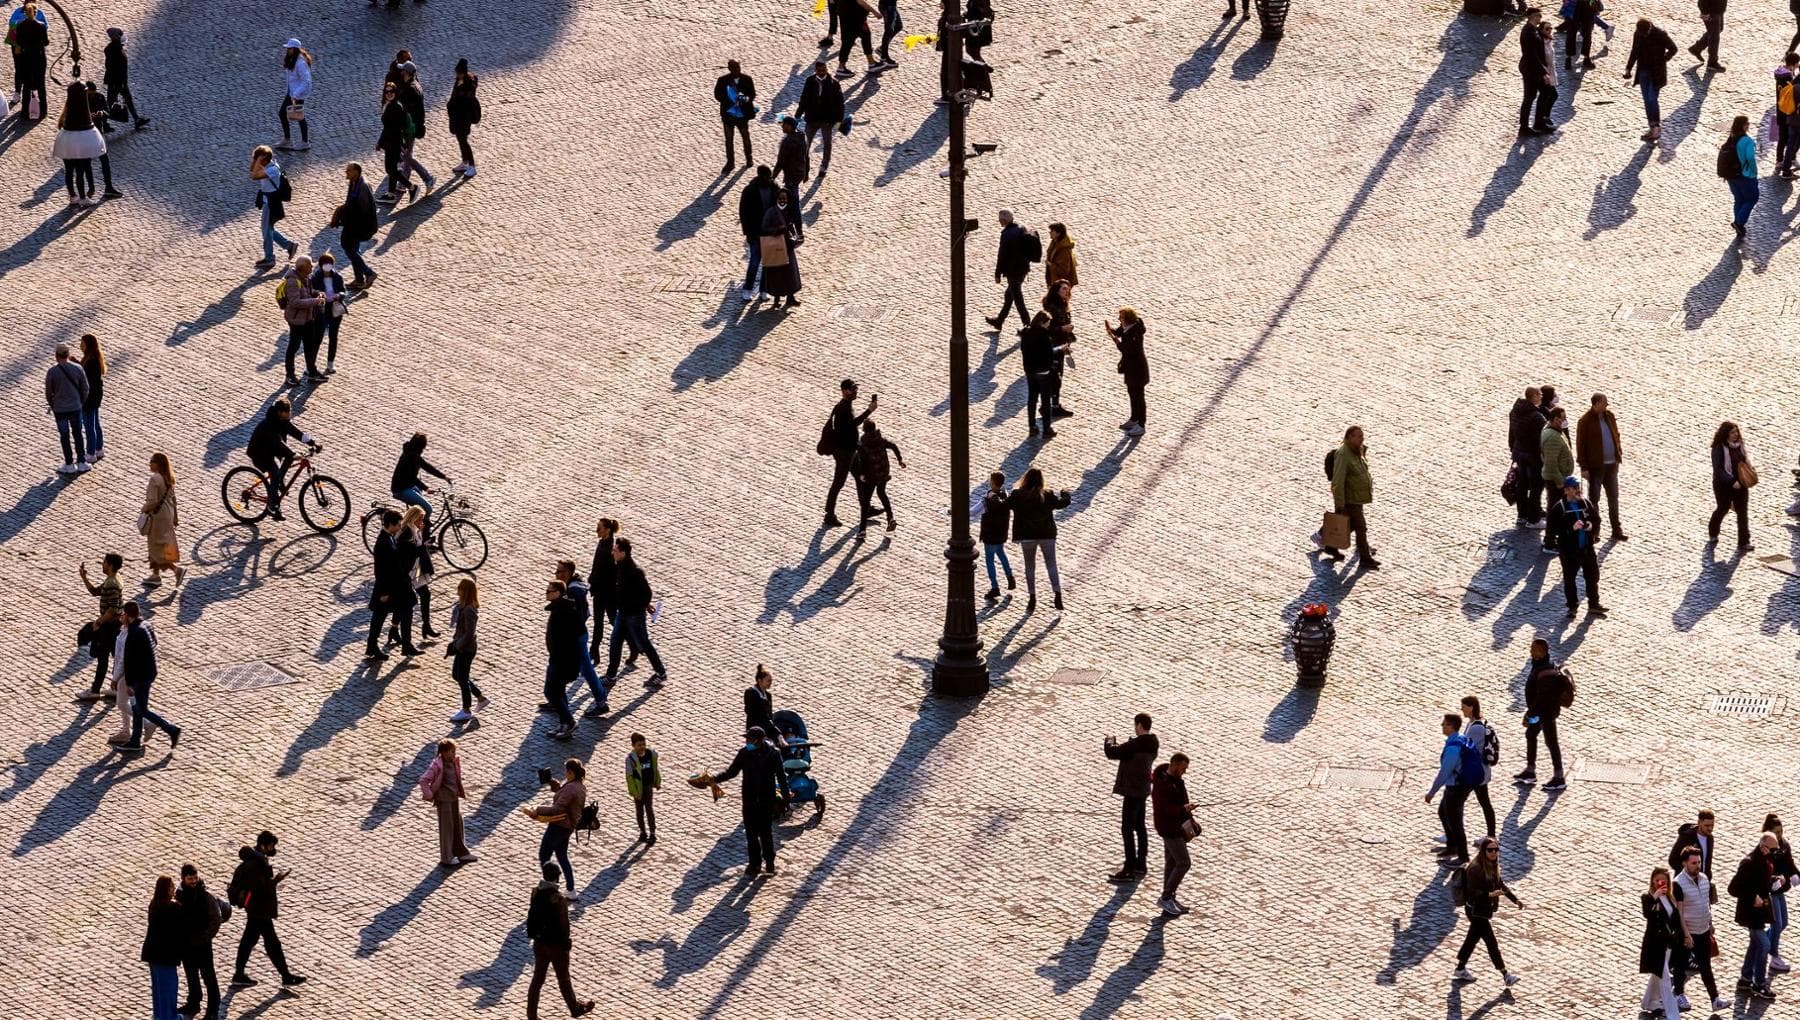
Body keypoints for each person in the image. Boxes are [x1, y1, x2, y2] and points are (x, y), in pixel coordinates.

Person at [712, 726, 792, 876]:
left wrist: (786, 799)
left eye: (749, 739)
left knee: (766, 833)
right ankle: (754, 864)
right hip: (749, 800)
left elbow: (781, 776)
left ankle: (769, 863)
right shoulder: (744, 753)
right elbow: (732, 772)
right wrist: (714, 779)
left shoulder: (773, 754)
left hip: (766, 801)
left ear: (758, 740)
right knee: (751, 834)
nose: (747, 741)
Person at [230, 830, 304, 988]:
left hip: (257, 910)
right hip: (259, 910)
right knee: (271, 943)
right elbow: (260, 889)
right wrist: (276, 880)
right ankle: (285, 976)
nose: (273, 849)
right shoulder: (255, 865)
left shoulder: (258, 860)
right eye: (271, 846)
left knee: (250, 941)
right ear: (263, 846)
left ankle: (240, 974)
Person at [525, 861, 595, 1019]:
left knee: (537, 979)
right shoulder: (559, 899)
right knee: (563, 978)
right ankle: (575, 1008)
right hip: (556, 945)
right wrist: (566, 944)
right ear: (557, 878)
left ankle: (531, 1015)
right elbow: (564, 925)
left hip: (539, 943)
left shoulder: (535, 892)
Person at [1451, 836, 1522, 985]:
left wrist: (1514, 899)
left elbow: (1500, 883)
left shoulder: (1492, 864)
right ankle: (1505, 974)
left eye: (1496, 849)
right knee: (1491, 943)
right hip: (1476, 911)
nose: (1494, 852)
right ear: (1483, 850)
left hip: (1483, 910)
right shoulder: (1475, 868)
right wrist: (1490, 894)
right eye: (1490, 850)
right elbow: (1473, 892)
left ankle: (1460, 968)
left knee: (1472, 939)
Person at [117, 600, 180, 752]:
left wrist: (130, 684)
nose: (121, 617)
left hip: (140, 677)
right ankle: (135, 740)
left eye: (123, 614)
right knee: (137, 707)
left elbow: (129, 660)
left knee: (141, 709)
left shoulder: (133, 632)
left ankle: (171, 729)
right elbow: (154, 643)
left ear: (127, 615)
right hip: (149, 672)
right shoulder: (146, 625)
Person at [1673, 844, 1730, 1013]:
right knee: (1681, 966)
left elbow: (1706, 905)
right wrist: (1686, 935)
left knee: (1706, 967)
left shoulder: (1704, 879)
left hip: (1703, 930)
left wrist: (1710, 924)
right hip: (1687, 933)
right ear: (1684, 863)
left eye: (1698, 862)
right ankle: (1679, 995)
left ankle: (1715, 999)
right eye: (1693, 863)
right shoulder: (1678, 884)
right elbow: (1679, 913)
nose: (1697, 866)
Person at [1103, 713, 1159, 884]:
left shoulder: (1134, 745)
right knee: (1140, 827)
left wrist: (1109, 740)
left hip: (1132, 792)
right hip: (1142, 790)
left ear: (1140, 725)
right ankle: (1141, 863)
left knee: (1127, 828)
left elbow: (1112, 752)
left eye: (1136, 725)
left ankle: (1129, 867)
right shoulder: (1153, 743)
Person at [605, 539, 667, 689]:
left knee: (644, 644)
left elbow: (646, 594)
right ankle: (611, 676)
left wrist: (641, 605)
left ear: (623, 553)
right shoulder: (619, 567)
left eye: (615, 550)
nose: (612, 552)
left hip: (634, 616)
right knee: (615, 643)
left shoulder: (635, 572)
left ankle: (660, 673)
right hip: (623, 614)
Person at [551, 560, 610, 716]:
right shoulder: (570, 587)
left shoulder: (573, 591)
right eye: (556, 572)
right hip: (573, 636)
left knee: (585, 670)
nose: (557, 575)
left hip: (575, 637)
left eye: (560, 572)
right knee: (561, 668)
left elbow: (579, 615)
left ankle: (601, 701)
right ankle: (557, 699)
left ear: (568, 573)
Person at [1011, 468, 1071, 612]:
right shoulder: (1047, 495)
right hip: (1047, 534)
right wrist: (1066, 494)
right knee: (1051, 564)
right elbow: (1062, 504)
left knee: (1030, 567)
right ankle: (1057, 594)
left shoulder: (1018, 495)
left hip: (1027, 536)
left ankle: (1032, 597)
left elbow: (1005, 504)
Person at [1729, 832, 1780, 1001]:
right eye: (1773, 849)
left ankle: (1745, 979)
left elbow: (1760, 881)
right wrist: (1753, 897)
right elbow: (1733, 888)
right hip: (1751, 913)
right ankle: (1759, 983)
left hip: (1760, 912)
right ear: (1763, 847)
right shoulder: (1748, 863)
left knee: (1755, 945)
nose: (1775, 853)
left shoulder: (1765, 860)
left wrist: (1774, 880)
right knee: (1764, 945)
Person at [522, 757, 586, 890]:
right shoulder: (579, 786)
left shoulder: (570, 788)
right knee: (562, 856)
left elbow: (557, 809)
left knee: (544, 855)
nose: (565, 774)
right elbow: (566, 798)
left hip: (558, 826)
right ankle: (570, 889)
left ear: (571, 773)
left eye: (566, 772)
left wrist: (537, 810)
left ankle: (550, 884)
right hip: (568, 827)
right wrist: (556, 787)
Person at [1547, 476, 1605, 618]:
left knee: (1592, 576)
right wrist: (1570, 528)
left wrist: (1592, 526)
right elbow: (1552, 530)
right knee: (1569, 579)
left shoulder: (1585, 503)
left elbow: (1596, 519)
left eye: (1579, 487)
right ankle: (1572, 606)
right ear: (1567, 490)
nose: (1579, 490)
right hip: (1569, 551)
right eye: (1575, 488)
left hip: (1586, 547)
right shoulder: (1559, 508)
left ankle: (1594, 604)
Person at [366, 510, 420, 661]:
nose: (400, 526)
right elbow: (380, 570)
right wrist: (383, 592)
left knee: (405, 610)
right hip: (388, 587)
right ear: (390, 524)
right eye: (398, 524)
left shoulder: (389, 538)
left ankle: (405, 644)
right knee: (379, 616)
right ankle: (373, 645)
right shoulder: (382, 543)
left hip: (397, 585)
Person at [246, 396, 310, 522]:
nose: (290, 414)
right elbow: (278, 443)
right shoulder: (269, 425)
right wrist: (292, 454)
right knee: (274, 472)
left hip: (270, 449)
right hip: (260, 453)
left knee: (287, 459)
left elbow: (296, 432)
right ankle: (272, 505)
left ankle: (279, 481)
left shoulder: (282, 420)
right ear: (280, 413)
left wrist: (313, 443)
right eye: (288, 412)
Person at [1425, 713, 1478, 866]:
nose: (1442, 726)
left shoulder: (1453, 748)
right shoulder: (1459, 740)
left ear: (1452, 727)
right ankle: (1452, 846)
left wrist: (1432, 792)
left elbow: (1445, 772)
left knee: (1456, 822)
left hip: (1457, 787)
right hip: (1457, 785)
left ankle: (1463, 856)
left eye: (1445, 724)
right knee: (1443, 812)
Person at [1516, 638, 1568, 791]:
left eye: (1533, 648)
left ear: (1541, 651)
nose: (1530, 651)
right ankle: (1530, 771)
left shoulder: (1545, 671)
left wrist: (1528, 714)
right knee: (1531, 734)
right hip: (1540, 712)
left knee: (1551, 742)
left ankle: (1559, 777)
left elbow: (1542, 698)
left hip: (1545, 713)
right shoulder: (1541, 664)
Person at [823, 380, 877, 527]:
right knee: (838, 483)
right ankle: (829, 514)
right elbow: (851, 425)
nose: (855, 391)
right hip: (844, 452)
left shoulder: (846, 406)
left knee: (860, 479)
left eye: (856, 388)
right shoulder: (843, 408)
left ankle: (866, 508)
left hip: (851, 450)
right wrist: (868, 411)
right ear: (844, 391)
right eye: (852, 389)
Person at [1326, 426, 1380, 569]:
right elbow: (1338, 480)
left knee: (1351, 526)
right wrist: (1339, 503)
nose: (1362, 439)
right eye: (1358, 436)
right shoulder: (1343, 455)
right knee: (1361, 527)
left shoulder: (1358, 450)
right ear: (1349, 437)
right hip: (1350, 499)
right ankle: (1365, 558)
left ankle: (1331, 545)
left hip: (1357, 497)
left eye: (1362, 436)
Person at [1150, 752, 1196, 918]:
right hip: (1169, 829)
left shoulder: (1174, 781)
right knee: (1184, 863)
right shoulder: (1163, 785)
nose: (1184, 772)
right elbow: (1168, 810)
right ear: (1175, 765)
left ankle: (1170, 898)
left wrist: (1190, 818)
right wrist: (1185, 810)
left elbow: (1181, 802)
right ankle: (1166, 897)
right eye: (1183, 768)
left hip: (1174, 827)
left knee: (1171, 863)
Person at [1574, 394, 1626, 541]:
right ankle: (1595, 530)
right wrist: (1584, 467)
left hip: (1612, 465)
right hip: (1596, 467)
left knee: (1613, 498)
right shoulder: (1585, 421)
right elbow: (1581, 445)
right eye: (1604, 403)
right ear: (1596, 404)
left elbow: (1616, 435)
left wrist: (1618, 453)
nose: (1606, 406)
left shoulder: (1609, 416)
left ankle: (1616, 529)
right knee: (1594, 500)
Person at [75, 553, 124, 702]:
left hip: (110, 626)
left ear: (110, 565)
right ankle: (117, 689)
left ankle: (95, 690)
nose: (102, 564)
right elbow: (95, 592)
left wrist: (99, 622)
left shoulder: (112, 584)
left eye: (104, 562)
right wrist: (84, 578)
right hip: (113, 625)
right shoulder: (112, 580)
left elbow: (113, 609)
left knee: (103, 658)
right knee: (116, 656)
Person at [421, 738, 477, 868]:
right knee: (447, 828)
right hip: (444, 799)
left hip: (453, 797)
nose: (454, 754)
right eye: (452, 752)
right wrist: (429, 795)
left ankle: (461, 852)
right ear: (444, 752)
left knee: (457, 823)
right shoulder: (436, 765)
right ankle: (446, 857)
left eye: (454, 751)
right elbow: (424, 780)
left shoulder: (453, 762)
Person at [1640, 867, 1687, 1020]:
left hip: (1667, 944)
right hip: (1655, 945)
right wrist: (1655, 897)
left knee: (1657, 976)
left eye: (1664, 881)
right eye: (1658, 881)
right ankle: (1672, 1014)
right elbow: (1648, 914)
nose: (1661, 884)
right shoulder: (1647, 897)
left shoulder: (1670, 898)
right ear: (1653, 882)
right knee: (1665, 979)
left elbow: (1674, 919)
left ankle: (1649, 1002)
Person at [176, 864, 222, 1020]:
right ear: (183, 878)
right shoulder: (179, 895)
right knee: (191, 975)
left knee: (209, 976)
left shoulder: (205, 896)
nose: (193, 881)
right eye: (190, 879)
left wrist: (205, 937)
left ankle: (213, 1009)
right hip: (186, 944)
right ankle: (193, 1002)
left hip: (202, 944)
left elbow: (216, 919)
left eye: (195, 878)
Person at [588, 518, 635, 663]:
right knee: (600, 622)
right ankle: (594, 651)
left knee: (613, 621)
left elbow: (610, 572)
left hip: (606, 592)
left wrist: (595, 580)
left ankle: (633, 645)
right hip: (600, 590)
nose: (597, 530)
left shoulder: (610, 549)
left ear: (608, 530)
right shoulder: (603, 542)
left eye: (599, 528)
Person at [541, 579, 582, 740]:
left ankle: (569, 722)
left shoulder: (564, 612)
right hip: (558, 659)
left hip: (562, 661)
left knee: (551, 692)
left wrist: (559, 656)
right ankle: (564, 722)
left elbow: (566, 640)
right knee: (558, 691)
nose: (546, 593)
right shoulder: (560, 609)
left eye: (549, 590)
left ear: (558, 593)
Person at [52, 82, 104, 207]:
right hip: (78, 144)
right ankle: (82, 197)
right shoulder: (82, 112)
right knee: (79, 171)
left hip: (66, 142)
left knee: (69, 171)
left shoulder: (67, 110)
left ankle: (73, 196)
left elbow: (60, 124)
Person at [278, 255, 327, 386]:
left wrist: (317, 293)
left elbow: (308, 292)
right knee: (293, 347)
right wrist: (315, 301)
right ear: (303, 268)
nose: (312, 267)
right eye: (310, 265)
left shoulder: (306, 277)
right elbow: (295, 302)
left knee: (309, 346)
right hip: (297, 320)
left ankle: (312, 372)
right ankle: (290, 375)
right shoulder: (293, 282)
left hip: (308, 318)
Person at [391, 506, 436, 641]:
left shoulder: (415, 529)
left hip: (415, 568)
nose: (422, 521)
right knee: (404, 601)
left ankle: (426, 625)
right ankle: (394, 629)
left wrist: (422, 535)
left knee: (425, 595)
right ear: (413, 518)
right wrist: (423, 545)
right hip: (407, 570)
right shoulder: (406, 533)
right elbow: (410, 552)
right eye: (420, 519)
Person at [44, 342, 90, 474]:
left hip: (60, 410)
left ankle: (69, 464)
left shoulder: (52, 372)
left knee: (64, 436)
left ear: (56, 356)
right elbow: (85, 388)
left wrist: (53, 405)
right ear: (68, 354)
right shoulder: (77, 369)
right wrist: (80, 402)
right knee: (78, 434)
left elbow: (48, 392)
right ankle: (81, 462)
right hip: (75, 407)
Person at [142, 875, 183, 1020]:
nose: (173, 889)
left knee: (158, 989)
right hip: (166, 955)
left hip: (152, 953)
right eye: (171, 887)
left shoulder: (154, 904)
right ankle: (169, 1017)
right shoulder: (173, 907)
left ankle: (160, 1016)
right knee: (169, 989)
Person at [334, 162, 380, 290]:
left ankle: (368, 273)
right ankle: (359, 279)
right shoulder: (354, 183)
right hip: (354, 223)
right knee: (353, 249)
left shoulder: (362, 187)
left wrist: (344, 217)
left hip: (359, 225)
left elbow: (361, 210)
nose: (346, 172)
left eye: (349, 170)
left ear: (356, 172)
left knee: (348, 247)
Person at [447, 577, 488, 722]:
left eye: (460, 588)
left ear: (465, 591)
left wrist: (458, 645)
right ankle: (480, 698)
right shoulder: (462, 606)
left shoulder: (469, 610)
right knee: (457, 675)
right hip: (461, 647)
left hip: (466, 649)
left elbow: (470, 633)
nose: (457, 590)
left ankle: (466, 709)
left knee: (462, 678)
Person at [141, 452, 184, 588]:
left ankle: (177, 570)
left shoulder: (155, 479)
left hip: (157, 517)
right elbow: (173, 499)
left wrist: (144, 509)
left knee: (156, 547)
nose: (150, 463)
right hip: (167, 514)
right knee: (159, 545)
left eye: (152, 461)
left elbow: (152, 502)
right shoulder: (168, 478)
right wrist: (175, 516)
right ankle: (155, 575)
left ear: (158, 464)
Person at [1710, 421, 1754, 551]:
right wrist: (1731, 481)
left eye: (1736, 432)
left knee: (1742, 512)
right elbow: (1719, 470)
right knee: (1723, 508)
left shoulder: (1739, 446)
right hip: (1723, 485)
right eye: (1732, 432)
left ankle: (1744, 542)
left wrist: (1750, 469)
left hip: (1741, 484)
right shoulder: (1718, 448)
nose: (1735, 435)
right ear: (1726, 434)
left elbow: (1745, 460)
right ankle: (1713, 531)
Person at [393, 61, 436, 194]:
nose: (401, 73)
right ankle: (403, 183)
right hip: (413, 126)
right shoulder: (415, 85)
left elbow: (406, 111)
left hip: (408, 128)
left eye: (402, 71)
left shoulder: (409, 89)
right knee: (407, 154)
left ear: (406, 73)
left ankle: (427, 178)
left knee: (406, 156)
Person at [1019, 312, 1064, 439]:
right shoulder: (1044, 336)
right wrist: (1061, 349)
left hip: (1030, 371)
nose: (1048, 326)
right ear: (1042, 322)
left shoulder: (1026, 334)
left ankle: (1032, 426)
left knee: (1032, 399)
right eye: (1048, 323)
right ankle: (1047, 429)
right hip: (1043, 372)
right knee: (1045, 401)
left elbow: (1023, 350)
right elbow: (1049, 354)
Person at [736, 165, 779, 300]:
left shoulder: (774, 189)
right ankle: (748, 288)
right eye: (768, 177)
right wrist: (748, 232)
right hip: (755, 233)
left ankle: (763, 290)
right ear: (761, 176)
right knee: (754, 262)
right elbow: (743, 213)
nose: (770, 179)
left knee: (767, 263)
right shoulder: (750, 191)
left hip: (769, 232)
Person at [853, 419, 904, 532]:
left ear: (864, 430)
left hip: (871, 476)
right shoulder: (880, 440)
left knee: (865, 502)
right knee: (882, 493)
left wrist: (861, 475)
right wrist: (899, 460)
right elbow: (893, 446)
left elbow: (862, 462)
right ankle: (890, 518)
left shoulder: (863, 444)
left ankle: (862, 531)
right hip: (883, 473)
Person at [986, 210, 1033, 332]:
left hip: (1013, 272)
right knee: (1009, 295)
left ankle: (1028, 325)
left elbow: (1001, 256)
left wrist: (997, 274)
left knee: (1018, 299)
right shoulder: (1022, 228)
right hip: (1023, 270)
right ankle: (999, 321)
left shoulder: (1006, 235)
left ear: (1003, 220)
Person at [250, 146, 297, 267]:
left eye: (258, 159)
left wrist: (259, 159)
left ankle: (270, 258)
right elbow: (252, 170)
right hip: (268, 201)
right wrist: (257, 159)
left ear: (264, 159)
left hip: (271, 202)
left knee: (267, 230)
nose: (256, 161)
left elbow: (254, 176)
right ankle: (289, 246)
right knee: (268, 229)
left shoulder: (272, 170)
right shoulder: (268, 165)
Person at [1508, 387, 1548, 529]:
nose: (1541, 397)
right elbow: (1541, 441)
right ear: (1535, 396)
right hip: (1532, 456)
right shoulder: (1537, 417)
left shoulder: (1515, 411)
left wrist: (1513, 450)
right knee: (1537, 486)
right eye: (1540, 394)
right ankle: (1534, 518)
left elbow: (1511, 434)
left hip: (1519, 453)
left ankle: (1522, 515)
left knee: (1522, 485)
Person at [390, 432, 449, 524]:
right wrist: (426, 488)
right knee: (428, 509)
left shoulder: (412, 453)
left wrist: (443, 477)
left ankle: (416, 524)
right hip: (401, 489)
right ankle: (422, 533)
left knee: (420, 507)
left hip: (408, 485)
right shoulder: (411, 457)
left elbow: (426, 466)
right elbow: (412, 478)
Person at [1460, 696, 1497, 842]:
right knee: (1484, 803)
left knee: (1455, 802)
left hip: (1474, 773)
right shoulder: (1472, 724)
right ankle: (1491, 835)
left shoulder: (1475, 728)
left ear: (1471, 707)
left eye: (1463, 706)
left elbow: (1467, 749)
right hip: (1476, 773)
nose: (1461, 709)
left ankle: (1454, 836)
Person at [796, 61, 844, 171]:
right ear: (815, 70)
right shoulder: (810, 81)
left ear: (826, 69)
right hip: (812, 118)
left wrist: (838, 121)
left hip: (827, 120)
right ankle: (804, 163)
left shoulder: (834, 83)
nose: (822, 72)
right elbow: (804, 98)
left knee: (827, 143)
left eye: (824, 70)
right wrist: (798, 114)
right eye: (819, 71)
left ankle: (824, 165)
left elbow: (839, 104)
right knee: (806, 143)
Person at [1107, 308, 1148, 436]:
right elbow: (1118, 332)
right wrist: (1110, 330)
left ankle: (1141, 424)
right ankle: (1134, 418)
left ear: (1128, 320)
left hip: (1137, 369)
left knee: (1138, 397)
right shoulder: (1127, 327)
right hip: (1130, 368)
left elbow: (1127, 350)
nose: (1119, 320)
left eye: (1121, 318)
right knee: (1132, 393)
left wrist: (1116, 341)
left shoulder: (1135, 333)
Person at [759, 188, 802, 308]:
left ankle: (790, 298)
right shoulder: (771, 212)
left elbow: (793, 225)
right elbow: (764, 228)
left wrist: (794, 235)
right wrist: (776, 231)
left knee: (790, 273)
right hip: (776, 247)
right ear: (777, 199)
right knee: (777, 274)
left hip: (788, 247)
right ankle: (776, 300)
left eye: (784, 199)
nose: (782, 201)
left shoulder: (789, 210)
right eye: (780, 198)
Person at [1766, 814, 1798, 974]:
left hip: (1780, 890)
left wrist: (1796, 875)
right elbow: (1764, 872)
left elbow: (1790, 864)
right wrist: (1775, 880)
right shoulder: (1766, 849)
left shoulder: (1784, 845)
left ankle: (1763, 941)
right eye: (1776, 832)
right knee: (1776, 924)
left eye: (1781, 831)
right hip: (1771, 891)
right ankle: (1774, 956)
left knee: (1783, 922)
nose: (1779, 835)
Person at [1040, 281, 1076, 419]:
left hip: (1061, 344)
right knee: (1054, 377)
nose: (1066, 291)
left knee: (1057, 377)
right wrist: (1063, 329)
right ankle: (1050, 406)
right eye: (1063, 289)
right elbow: (1048, 329)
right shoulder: (1052, 307)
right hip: (1053, 346)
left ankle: (1052, 405)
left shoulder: (1062, 304)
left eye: (1067, 289)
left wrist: (1066, 343)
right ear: (1056, 290)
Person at [1538, 405, 1574, 536]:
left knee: (1558, 509)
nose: (1564, 421)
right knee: (1554, 510)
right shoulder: (1552, 437)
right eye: (1562, 418)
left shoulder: (1553, 431)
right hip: (1556, 480)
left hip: (1558, 477)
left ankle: (1556, 536)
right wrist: (1560, 481)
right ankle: (1549, 540)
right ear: (1554, 419)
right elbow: (1551, 463)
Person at [101, 27, 148, 129]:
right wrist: (119, 82)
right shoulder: (114, 50)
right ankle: (103, 123)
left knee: (127, 99)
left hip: (120, 81)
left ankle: (137, 119)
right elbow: (112, 67)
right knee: (111, 102)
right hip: (116, 81)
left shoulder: (114, 49)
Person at [979, 471, 1016, 600]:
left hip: (990, 536)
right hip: (1001, 535)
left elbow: (973, 512)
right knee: (1001, 554)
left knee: (990, 561)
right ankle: (1010, 577)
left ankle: (995, 587)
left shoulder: (989, 500)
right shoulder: (1005, 496)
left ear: (993, 483)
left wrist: (954, 512)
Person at [714, 59, 755, 172]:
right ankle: (730, 162)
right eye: (734, 68)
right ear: (730, 69)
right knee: (729, 139)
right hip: (729, 115)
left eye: (738, 67)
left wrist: (745, 99)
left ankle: (749, 157)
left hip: (742, 115)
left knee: (745, 137)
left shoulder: (747, 79)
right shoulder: (722, 81)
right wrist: (730, 99)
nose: (737, 70)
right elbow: (717, 95)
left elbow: (752, 94)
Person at [310, 253, 346, 375]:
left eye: (330, 264)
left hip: (335, 308)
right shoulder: (315, 278)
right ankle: (310, 365)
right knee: (317, 338)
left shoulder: (337, 277)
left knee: (333, 337)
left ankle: (330, 364)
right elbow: (311, 291)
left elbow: (343, 291)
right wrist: (319, 294)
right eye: (326, 264)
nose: (328, 266)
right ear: (321, 266)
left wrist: (339, 295)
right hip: (322, 309)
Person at [375, 80, 411, 202]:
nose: (389, 93)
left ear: (395, 92)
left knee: (390, 169)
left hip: (393, 143)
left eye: (391, 91)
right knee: (392, 169)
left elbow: (389, 128)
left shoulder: (395, 108)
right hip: (392, 142)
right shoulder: (390, 105)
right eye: (387, 91)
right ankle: (390, 194)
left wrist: (380, 142)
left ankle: (411, 187)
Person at [11, 2, 46, 120]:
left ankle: (25, 111)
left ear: (25, 13)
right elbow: (46, 42)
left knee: (26, 85)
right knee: (40, 84)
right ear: (35, 13)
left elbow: (19, 42)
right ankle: (43, 111)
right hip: (39, 58)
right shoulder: (41, 26)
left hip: (26, 58)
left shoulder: (20, 25)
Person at [1725, 115, 1759, 240]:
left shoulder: (1732, 138)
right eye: (1747, 123)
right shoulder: (1747, 141)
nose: (1748, 124)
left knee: (1739, 198)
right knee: (1752, 198)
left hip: (1731, 175)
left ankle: (1738, 223)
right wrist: (1754, 171)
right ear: (1744, 125)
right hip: (1745, 175)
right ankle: (1739, 222)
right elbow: (1750, 158)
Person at [447, 58, 481, 179]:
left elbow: (466, 100)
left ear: (463, 72)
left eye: (458, 73)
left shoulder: (468, 84)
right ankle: (465, 162)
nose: (456, 75)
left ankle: (472, 165)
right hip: (457, 116)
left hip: (464, 116)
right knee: (460, 139)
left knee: (464, 140)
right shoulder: (459, 81)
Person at [1518, 9, 1549, 135]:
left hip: (1535, 68)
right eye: (1538, 16)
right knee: (1529, 97)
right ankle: (1524, 127)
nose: (1540, 18)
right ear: (1532, 17)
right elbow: (1531, 54)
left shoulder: (1533, 30)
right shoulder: (1528, 32)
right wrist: (1543, 72)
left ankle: (1539, 122)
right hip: (1531, 69)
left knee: (1545, 93)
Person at [626, 733, 661, 843]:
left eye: (643, 744)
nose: (642, 747)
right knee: (639, 811)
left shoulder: (651, 754)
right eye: (639, 745)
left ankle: (652, 833)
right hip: (638, 789)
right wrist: (634, 792)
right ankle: (643, 832)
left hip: (648, 786)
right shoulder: (631, 759)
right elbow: (629, 777)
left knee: (649, 809)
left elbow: (655, 769)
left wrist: (657, 782)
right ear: (633, 745)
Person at [76, 334, 106, 462]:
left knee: (89, 426)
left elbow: (85, 379)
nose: (80, 346)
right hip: (95, 397)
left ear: (88, 345)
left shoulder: (90, 361)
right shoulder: (94, 358)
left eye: (83, 343)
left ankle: (91, 453)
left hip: (88, 398)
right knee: (95, 424)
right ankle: (99, 449)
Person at [278, 39, 311, 151]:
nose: (288, 50)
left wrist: (296, 94)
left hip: (297, 94)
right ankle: (288, 139)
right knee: (284, 113)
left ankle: (304, 142)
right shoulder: (293, 60)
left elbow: (306, 81)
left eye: (290, 48)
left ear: (295, 49)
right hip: (291, 93)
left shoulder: (300, 63)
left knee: (299, 116)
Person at [775, 116, 809, 218]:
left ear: (789, 126)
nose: (782, 127)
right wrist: (806, 172)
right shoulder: (803, 137)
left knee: (794, 199)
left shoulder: (786, 142)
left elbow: (780, 163)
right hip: (800, 172)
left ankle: (795, 222)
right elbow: (806, 156)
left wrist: (772, 177)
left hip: (791, 174)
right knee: (791, 196)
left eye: (784, 125)